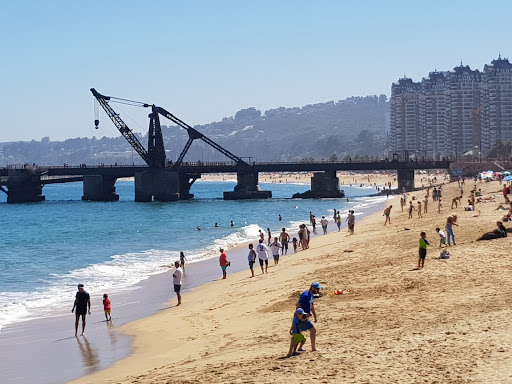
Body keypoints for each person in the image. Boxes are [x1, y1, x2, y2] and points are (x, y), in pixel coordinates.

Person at [296, 282, 322, 352]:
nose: (318, 291)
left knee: (299, 333)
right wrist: (301, 316)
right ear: (313, 288)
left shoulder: (311, 295)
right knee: (313, 330)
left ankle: (297, 349)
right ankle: (313, 348)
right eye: (317, 289)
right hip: (302, 317)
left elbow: (312, 306)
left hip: (304, 317)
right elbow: (298, 304)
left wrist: (315, 316)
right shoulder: (306, 295)